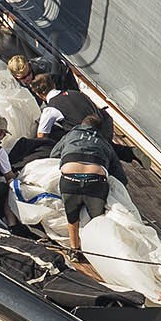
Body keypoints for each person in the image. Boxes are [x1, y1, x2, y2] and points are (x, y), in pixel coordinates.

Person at [50, 112, 117, 261]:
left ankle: (74, 250)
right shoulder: (104, 142)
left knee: (72, 217)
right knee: (97, 219)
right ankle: (98, 252)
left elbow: (53, 155)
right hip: (95, 183)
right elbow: (119, 174)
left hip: (69, 180)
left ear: (82, 124)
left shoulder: (70, 135)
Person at [30, 75, 113, 144]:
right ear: (53, 85)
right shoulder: (76, 93)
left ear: (39, 94)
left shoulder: (50, 109)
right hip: (105, 130)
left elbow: (41, 136)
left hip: (89, 140)